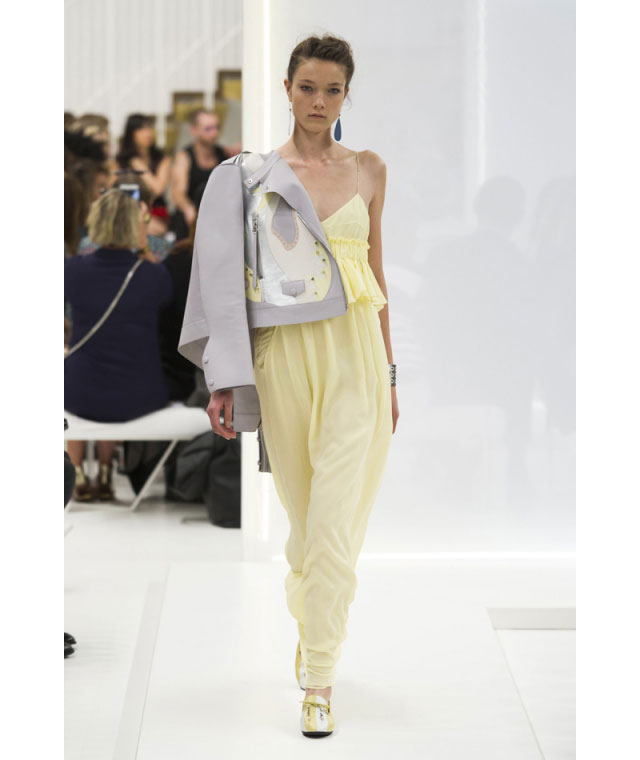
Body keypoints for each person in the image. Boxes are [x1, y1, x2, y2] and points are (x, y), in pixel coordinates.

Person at [211, 35, 399, 737]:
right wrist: (226, 377)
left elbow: (376, 273)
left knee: (334, 525)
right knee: (303, 525)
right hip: (283, 358)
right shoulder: (255, 175)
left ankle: (319, 678)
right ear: (287, 88)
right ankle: (314, 622)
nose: (319, 102)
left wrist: (389, 372)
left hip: (356, 359)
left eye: (333, 90)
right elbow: (230, 284)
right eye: (308, 87)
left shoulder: (370, 168)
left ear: (347, 95)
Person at [64, 187, 173, 501]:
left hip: (81, 395)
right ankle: (105, 470)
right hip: (140, 395)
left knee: (83, 372)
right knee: (115, 373)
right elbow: (164, 298)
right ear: (136, 227)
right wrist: (143, 245)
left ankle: (77, 471)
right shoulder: (154, 276)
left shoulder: (72, 271)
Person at [169, 108, 228, 241]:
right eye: (208, 129)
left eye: (217, 127)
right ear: (194, 130)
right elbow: (178, 193)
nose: (214, 133)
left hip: (216, 218)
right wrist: (189, 209)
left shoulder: (222, 154)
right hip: (190, 220)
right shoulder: (184, 157)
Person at [116, 113, 172, 237]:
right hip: (128, 210)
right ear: (131, 133)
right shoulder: (120, 161)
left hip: (156, 211)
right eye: (141, 129)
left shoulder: (161, 158)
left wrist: (139, 166)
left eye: (149, 127)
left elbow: (158, 189)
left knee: (155, 229)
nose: (148, 133)